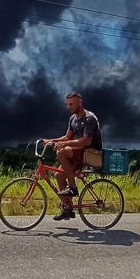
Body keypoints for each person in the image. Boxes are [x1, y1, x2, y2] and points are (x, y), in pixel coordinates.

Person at [43, 91, 102, 221]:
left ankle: (73, 188)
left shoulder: (89, 118)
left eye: (72, 104)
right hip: (78, 151)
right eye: (68, 104)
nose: (69, 107)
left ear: (80, 102)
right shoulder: (73, 119)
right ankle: (68, 208)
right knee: (58, 174)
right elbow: (67, 137)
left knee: (62, 152)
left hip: (91, 152)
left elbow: (86, 141)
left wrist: (64, 145)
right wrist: (51, 140)